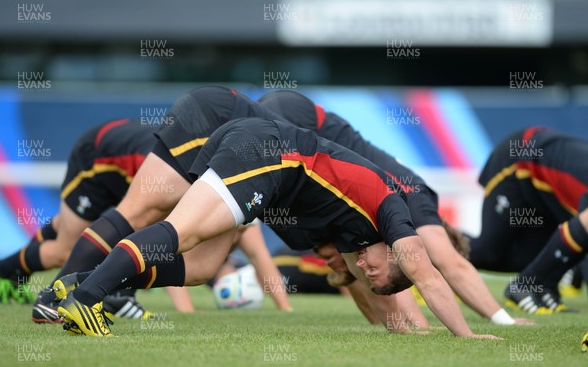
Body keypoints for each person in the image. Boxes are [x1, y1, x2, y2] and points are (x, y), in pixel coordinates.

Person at [55, 116, 499, 339]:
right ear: (398, 254)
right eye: (378, 269)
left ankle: (82, 282)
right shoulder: (395, 214)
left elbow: (374, 298)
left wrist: (408, 333)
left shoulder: (359, 240)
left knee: (201, 266)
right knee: (181, 232)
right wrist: (468, 335)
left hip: (257, 154)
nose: (364, 266)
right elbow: (429, 277)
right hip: (268, 153)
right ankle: (87, 301)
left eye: (368, 271)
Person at [257, 90, 529, 326]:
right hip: (297, 117)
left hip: (290, 122)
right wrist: (505, 320)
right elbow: (452, 265)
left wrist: (412, 327)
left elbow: (372, 293)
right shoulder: (417, 198)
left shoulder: (376, 223)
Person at [31, 86, 292, 321]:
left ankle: (93, 292)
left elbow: (256, 253)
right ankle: (57, 297)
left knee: (199, 265)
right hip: (211, 119)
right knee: (140, 218)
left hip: (218, 123)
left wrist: (286, 311)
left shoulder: (271, 169)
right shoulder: (283, 160)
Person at [0, 118, 157, 322]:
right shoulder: (168, 167)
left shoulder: (180, 157)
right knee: (69, 253)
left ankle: (119, 297)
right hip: (93, 162)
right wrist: (186, 309)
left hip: (117, 165)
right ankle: (4, 272)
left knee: (69, 229)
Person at [467, 127, 588, 314]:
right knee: (487, 252)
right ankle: (430, 250)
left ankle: (539, 287)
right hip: (519, 159)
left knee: (529, 258)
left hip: (543, 188)